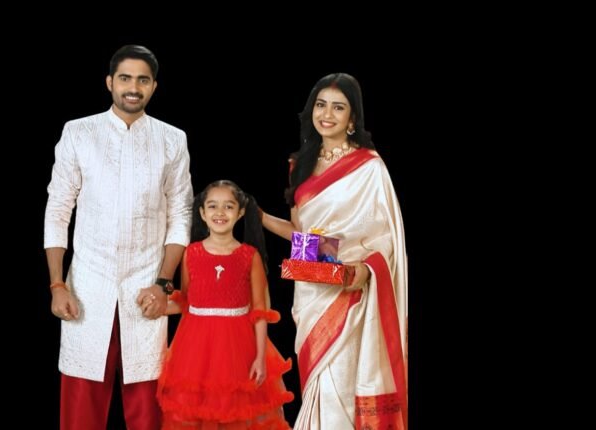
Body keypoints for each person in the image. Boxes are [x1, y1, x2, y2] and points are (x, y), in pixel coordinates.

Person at [43, 45, 193, 430]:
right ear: (110, 82)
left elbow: (180, 215)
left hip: (147, 287)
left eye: (143, 80)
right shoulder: (79, 132)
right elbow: (58, 209)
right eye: (125, 78)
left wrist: (162, 283)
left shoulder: (172, 139)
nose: (133, 87)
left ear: (154, 86)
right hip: (87, 286)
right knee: (81, 409)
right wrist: (57, 284)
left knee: (149, 408)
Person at [260, 73, 408, 429]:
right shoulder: (299, 164)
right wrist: (259, 216)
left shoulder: (369, 167)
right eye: (321, 105)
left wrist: (365, 269)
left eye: (338, 107)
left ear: (352, 117)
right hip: (312, 291)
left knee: (341, 383)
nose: (327, 114)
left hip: (353, 292)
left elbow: (386, 236)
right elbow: (303, 237)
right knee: (317, 381)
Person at [156, 180, 294, 429]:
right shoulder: (191, 253)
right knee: (198, 411)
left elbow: (259, 310)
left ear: (240, 213)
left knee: (236, 411)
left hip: (238, 348)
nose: (220, 212)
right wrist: (159, 306)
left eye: (229, 206)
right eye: (212, 206)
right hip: (195, 348)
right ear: (202, 213)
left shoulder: (249, 256)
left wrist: (260, 357)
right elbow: (187, 300)